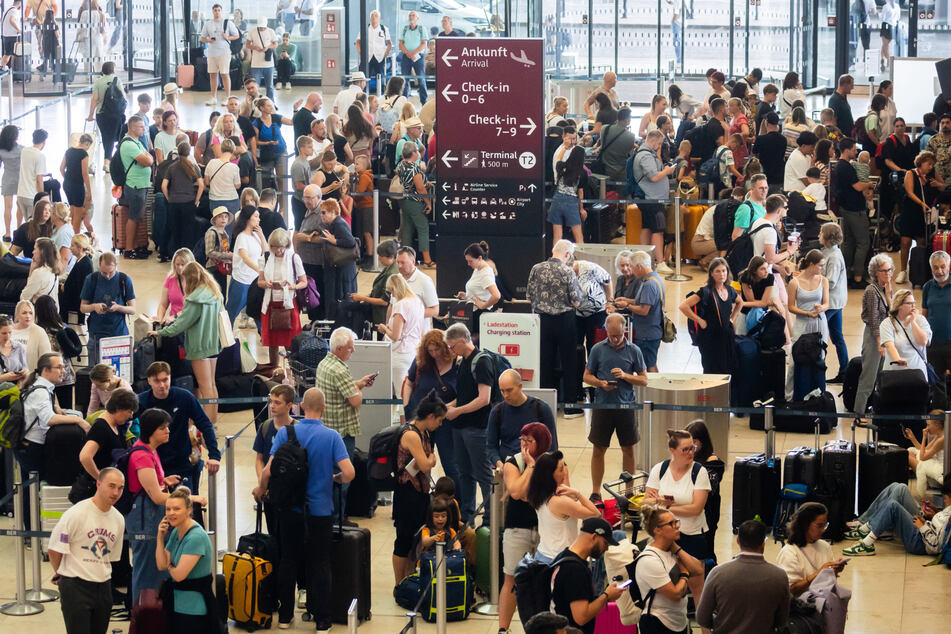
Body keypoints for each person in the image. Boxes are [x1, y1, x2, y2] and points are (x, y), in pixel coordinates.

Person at [259, 387, 354, 631]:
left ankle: (284, 617)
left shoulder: (285, 433)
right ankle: (322, 619)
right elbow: (350, 473)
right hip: (320, 511)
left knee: (288, 560)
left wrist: (262, 490)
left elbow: (268, 471)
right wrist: (335, 478)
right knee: (320, 563)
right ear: (324, 408)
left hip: (290, 509)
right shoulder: (331, 436)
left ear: (301, 406)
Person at [48, 467, 126, 634]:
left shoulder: (118, 519)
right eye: (111, 486)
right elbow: (54, 550)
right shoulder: (76, 513)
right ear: (98, 484)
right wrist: (60, 574)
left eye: (120, 488)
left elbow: (111, 556)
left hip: (103, 586)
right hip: (76, 586)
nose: (116, 492)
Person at [17, 352, 89, 529]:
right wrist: (78, 420)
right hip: (31, 446)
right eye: (59, 367)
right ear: (45, 370)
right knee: (31, 489)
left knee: (33, 487)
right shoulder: (41, 391)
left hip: (30, 444)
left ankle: (33, 526)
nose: (63, 371)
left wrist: (58, 408)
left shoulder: (43, 387)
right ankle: (31, 530)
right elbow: (48, 418)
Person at [497, 423, 553, 634]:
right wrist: (530, 466)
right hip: (517, 528)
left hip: (545, 529)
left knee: (544, 579)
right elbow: (515, 492)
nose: (525, 445)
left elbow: (556, 493)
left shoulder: (552, 461)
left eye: (530, 441)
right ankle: (503, 628)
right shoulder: (514, 462)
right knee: (511, 577)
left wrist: (530, 494)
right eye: (522, 440)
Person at [151, 263, 225, 424]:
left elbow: (181, 324)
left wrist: (160, 332)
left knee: (204, 387)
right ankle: (212, 420)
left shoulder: (195, 299)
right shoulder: (215, 293)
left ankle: (208, 424)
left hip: (199, 346)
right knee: (211, 385)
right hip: (214, 345)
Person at [314, 328, 376, 519]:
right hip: (342, 432)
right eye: (350, 348)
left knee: (330, 475)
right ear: (339, 349)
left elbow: (340, 390)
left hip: (328, 427)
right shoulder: (340, 369)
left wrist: (358, 384)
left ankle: (331, 517)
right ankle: (338, 519)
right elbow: (355, 401)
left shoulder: (325, 363)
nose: (353, 351)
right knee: (343, 477)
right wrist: (360, 391)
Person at [136, 361, 221, 494]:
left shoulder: (184, 397)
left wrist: (214, 455)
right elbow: (123, 423)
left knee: (186, 506)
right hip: (153, 465)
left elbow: (205, 424)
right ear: (149, 381)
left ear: (170, 378)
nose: (162, 385)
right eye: (157, 381)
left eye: (165, 380)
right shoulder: (141, 401)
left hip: (181, 464)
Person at [443, 323, 497, 523]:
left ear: (463, 341)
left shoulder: (481, 362)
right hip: (460, 427)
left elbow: (484, 398)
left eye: (452, 346)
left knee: (483, 474)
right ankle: (467, 516)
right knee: (465, 473)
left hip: (477, 428)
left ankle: (490, 519)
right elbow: (465, 395)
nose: (450, 351)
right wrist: (449, 406)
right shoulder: (462, 362)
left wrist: (457, 411)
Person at [695, 520, 790, 634]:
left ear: (738, 541)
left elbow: (702, 618)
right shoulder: (779, 576)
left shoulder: (718, 573)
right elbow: (782, 621)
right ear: (763, 544)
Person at [392, 391, 446, 584]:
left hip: (420, 493)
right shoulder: (411, 435)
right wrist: (430, 460)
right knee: (404, 540)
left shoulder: (424, 433)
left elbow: (430, 459)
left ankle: (408, 579)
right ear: (431, 417)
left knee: (415, 540)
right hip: (407, 493)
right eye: (439, 420)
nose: (440, 424)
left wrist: (429, 460)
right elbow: (426, 463)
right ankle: (399, 583)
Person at [527, 240, 582, 412]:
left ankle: (546, 405)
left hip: (542, 320)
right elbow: (576, 300)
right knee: (569, 362)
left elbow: (529, 295)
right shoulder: (567, 271)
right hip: (565, 320)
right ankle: (570, 406)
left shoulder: (536, 268)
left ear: (553, 250)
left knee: (545, 361)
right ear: (567, 255)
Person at [634, 504, 706, 634]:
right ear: (658, 530)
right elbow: (675, 594)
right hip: (658, 623)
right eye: (672, 523)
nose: (677, 526)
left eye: (676, 521)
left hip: (678, 622)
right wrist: (684, 574)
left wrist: (677, 548)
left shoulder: (671, 550)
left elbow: (698, 570)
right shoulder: (649, 560)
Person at [155, 486, 219, 630]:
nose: (171, 513)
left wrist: (169, 564)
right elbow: (160, 565)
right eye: (168, 509)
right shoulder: (176, 531)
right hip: (177, 603)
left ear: (189, 510)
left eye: (176, 509)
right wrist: (159, 537)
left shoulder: (195, 537)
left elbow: (178, 575)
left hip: (194, 608)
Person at [548, 516, 623, 634]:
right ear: (594, 537)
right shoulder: (575, 569)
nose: (606, 548)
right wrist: (607, 596)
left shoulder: (563, 556)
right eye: (605, 543)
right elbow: (581, 617)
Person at [843, 479, 951, 558]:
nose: (945, 502)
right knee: (900, 487)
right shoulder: (948, 511)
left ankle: (867, 540)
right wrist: (933, 514)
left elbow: (936, 546)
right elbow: (940, 527)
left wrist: (923, 527)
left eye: (946, 498)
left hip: (920, 543)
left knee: (892, 505)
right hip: (924, 529)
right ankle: (866, 525)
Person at [527, 450, 600, 563]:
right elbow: (595, 514)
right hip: (559, 559)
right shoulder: (559, 502)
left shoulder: (538, 494)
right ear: (550, 474)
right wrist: (578, 494)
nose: (565, 472)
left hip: (543, 555)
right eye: (561, 469)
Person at [679, 257, 742, 374]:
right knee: (711, 369)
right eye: (718, 271)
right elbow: (683, 306)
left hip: (726, 336)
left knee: (728, 368)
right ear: (711, 273)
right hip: (710, 338)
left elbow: (740, 302)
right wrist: (699, 320)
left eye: (724, 271)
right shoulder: (705, 291)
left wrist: (732, 318)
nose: (722, 274)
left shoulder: (730, 290)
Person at [487, 369, 558, 470]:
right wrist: (499, 464)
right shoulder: (497, 412)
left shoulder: (541, 409)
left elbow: (552, 446)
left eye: (509, 390)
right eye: (502, 391)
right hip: (508, 466)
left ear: (520, 387)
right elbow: (491, 447)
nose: (506, 395)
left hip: (536, 467)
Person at [776, 502, 848, 597]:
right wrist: (819, 573)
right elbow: (790, 590)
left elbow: (827, 582)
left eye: (825, 525)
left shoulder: (825, 546)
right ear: (804, 525)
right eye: (819, 526)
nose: (823, 530)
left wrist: (834, 571)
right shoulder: (789, 552)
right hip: (801, 608)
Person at [854, 253, 895, 413]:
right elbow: (873, 319)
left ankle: (875, 408)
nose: (888, 273)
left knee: (881, 376)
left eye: (889, 270)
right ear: (875, 272)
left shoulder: (887, 289)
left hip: (885, 335)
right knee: (868, 377)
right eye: (883, 271)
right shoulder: (871, 291)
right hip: (874, 337)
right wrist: (880, 343)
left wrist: (889, 295)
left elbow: (892, 313)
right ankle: (859, 412)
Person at [788, 249, 830, 400]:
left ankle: (818, 394)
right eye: (820, 265)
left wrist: (821, 308)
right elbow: (790, 307)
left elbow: (827, 303)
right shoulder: (795, 283)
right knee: (796, 358)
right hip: (803, 323)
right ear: (811, 264)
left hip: (819, 323)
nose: (822, 269)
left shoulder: (823, 280)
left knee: (820, 356)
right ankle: (793, 396)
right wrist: (806, 313)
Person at [897, 151, 945, 284]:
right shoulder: (911, 173)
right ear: (921, 162)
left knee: (921, 242)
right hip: (910, 211)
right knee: (905, 242)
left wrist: (938, 185)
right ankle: (903, 271)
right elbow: (909, 192)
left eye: (932, 165)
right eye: (928, 164)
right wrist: (921, 203)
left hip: (924, 215)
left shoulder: (931, 175)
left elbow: (944, 187)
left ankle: (919, 271)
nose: (930, 167)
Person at [80, 252, 135, 365]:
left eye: (111, 272)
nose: (108, 276)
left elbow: (133, 309)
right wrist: (94, 307)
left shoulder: (124, 280)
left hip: (119, 335)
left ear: (116, 265)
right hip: (97, 336)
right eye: (104, 272)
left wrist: (118, 307)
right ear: (99, 265)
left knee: (120, 372)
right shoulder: (91, 279)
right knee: (96, 373)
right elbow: (82, 308)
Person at [836, 138, 875, 289]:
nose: (856, 152)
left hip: (846, 208)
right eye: (854, 149)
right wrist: (869, 184)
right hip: (854, 209)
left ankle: (846, 275)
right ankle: (858, 277)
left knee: (849, 243)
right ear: (846, 150)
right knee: (863, 243)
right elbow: (858, 186)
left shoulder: (841, 166)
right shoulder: (846, 167)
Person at [378, 274, 425, 399]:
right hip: (414, 351)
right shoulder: (418, 302)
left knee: (401, 396)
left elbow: (395, 336)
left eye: (391, 291)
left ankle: (403, 419)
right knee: (412, 394)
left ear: (396, 288)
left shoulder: (401, 305)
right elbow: (421, 331)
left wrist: (384, 328)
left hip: (400, 354)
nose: (392, 295)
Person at [635, 131, 676, 271]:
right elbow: (653, 177)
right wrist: (667, 171)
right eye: (658, 143)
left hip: (650, 197)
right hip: (651, 198)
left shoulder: (647, 154)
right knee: (658, 230)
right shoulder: (645, 155)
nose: (659, 146)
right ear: (653, 141)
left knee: (647, 227)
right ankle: (660, 262)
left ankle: (645, 260)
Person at [116, 116, 154, 259]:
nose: (143, 129)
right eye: (140, 127)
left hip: (142, 185)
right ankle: (129, 249)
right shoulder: (128, 144)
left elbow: (149, 157)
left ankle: (137, 246)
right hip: (135, 185)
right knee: (133, 217)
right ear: (131, 128)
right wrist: (148, 159)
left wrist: (149, 159)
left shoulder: (136, 142)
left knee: (139, 217)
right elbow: (147, 160)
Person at [880, 288, 932, 383]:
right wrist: (898, 359)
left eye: (914, 303)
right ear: (899, 305)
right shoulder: (887, 323)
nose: (914, 306)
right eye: (909, 303)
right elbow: (889, 345)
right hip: (894, 374)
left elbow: (923, 341)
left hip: (918, 374)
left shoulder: (921, 320)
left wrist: (913, 322)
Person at [161, 141, 205, 254]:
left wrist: (168, 197)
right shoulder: (193, 167)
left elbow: (164, 186)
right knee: (188, 231)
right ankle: (187, 255)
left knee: (175, 231)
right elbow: (201, 185)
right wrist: (197, 200)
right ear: (189, 152)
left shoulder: (171, 167)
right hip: (188, 203)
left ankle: (175, 255)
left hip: (174, 203)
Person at [226, 206, 267, 323]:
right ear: (248, 218)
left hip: (254, 281)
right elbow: (245, 258)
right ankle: (223, 339)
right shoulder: (242, 237)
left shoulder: (255, 235)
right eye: (256, 216)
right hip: (241, 281)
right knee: (231, 312)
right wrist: (260, 270)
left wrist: (262, 235)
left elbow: (266, 251)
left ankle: (263, 337)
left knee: (257, 313)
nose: (259, 219)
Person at [819, 223, 849, 383]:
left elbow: (831, 281)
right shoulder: (830, 253)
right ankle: (845, 371)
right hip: (836, 301)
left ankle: (819, 369)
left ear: (828, 237)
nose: (818, 235)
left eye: (821, 233)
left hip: (831, 302)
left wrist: (814, 281)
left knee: (820, 336)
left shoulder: (834, 257)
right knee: (837, 337)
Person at [396, 143, 434, 267]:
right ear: (413, 153)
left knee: (407, 229)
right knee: (423, 229)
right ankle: (427, 261)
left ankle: (404, 259)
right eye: (417, 151)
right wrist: (428, 203)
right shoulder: (414, 168)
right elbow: (420, 189)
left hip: (403, 200)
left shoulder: (401, 165)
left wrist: (424, 181)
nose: (418, 153)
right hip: (415, 202)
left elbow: (408, 182)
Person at [87, 62, 124, 173]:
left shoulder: (98, 81)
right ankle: (108, 161)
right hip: (115, 114)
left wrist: (90, 114)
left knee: (106, 137)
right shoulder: (117, 80)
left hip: (101, 114)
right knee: (114, 137)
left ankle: (107, 161)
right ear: (113, 70)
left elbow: (95, 98)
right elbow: (123, 96)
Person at [549, 146, 588, 245]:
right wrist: (581, 209)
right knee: (578, 236)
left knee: (557, 236)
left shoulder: (561, 166)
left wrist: (564, 148)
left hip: (556, 200)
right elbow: (580, 192)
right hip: (571, 202)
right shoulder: (582, 173)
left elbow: (558, 158)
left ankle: (556, 258)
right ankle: (580, 259)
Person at [922, 251, 951, 379]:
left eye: (943, 266)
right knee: (936, 383)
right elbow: (924, 314)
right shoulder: (927, 287)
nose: (939, 271)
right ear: (931, 268)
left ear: (949, 266)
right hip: (933, 344)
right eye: (935, 267)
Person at [60, 133, 93, 235]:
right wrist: (89, 191)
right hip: (77, 185)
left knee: (72, 210)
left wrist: (68, 178)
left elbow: (61, 168)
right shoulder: (83, 154)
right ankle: (75, 238)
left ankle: (68, 234)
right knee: (78, 215)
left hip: (67, 184)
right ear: (87, 143)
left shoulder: (69, 151)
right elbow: (85, 174)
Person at [906, 414, 945, 499]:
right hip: (934, 465)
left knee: (907, 455)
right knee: (910, 452)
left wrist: (924, 437)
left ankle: (925, 484)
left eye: (928, 425)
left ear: (937, 425)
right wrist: (912, 438)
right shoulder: (938, 436)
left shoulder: (941, 439)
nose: (926, 428)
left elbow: (923, 456)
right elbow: (923, 450)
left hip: (939, 473)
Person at [11, 300, 52, 372]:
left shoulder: (39, 332)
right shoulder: (9, 330)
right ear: (17, 315)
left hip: (30, 376)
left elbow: (46, 359)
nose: (28, 316)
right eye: (24, 313)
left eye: (30, 313)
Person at [599, 107, 638, 183]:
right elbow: (630, 155)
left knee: (604, 192)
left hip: (604, 169)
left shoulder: (604, 129)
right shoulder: (631, 136)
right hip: (621, 172)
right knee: (620, 193)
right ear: (627, 119)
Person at [16, 129, 47, 223]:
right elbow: (39, 179)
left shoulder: (24, 151)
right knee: (34, 226)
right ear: (44, 141)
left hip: (21, 194)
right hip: (31, 196)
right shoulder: (40, 155)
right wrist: (42, 197)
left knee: (28, 224)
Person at [21, 236, 61, 309]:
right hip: (52, 313)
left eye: (35, 249)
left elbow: (24, 298)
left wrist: (31, 270)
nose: (33, 252)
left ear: (41, 251)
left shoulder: (39, 273)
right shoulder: (54, 271)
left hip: (40, 314)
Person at [246, 16, 278, 99]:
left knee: (270, 86)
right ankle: (255, 102)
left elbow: (275, 44)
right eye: (260, 27)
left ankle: (271, 103)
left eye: (263, 27)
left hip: (268, 64)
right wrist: (255, 47)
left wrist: (267, 47)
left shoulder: (271, 31)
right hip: (256, 64)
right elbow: (247, 44)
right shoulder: (252, 32)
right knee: (255, 86)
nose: (262, 29)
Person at [398, 11, 427, 103]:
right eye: (410, 15)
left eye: (413, 15)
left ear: (417, 18)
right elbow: (400, 43)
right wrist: (407, 53)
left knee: (421, 80)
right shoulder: (405, 29)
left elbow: (424, 44)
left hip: (418, 56)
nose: (411, 17)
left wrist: (413, 53)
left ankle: (424, 102)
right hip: (406, 57)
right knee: (404, 80)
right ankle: (404, 102)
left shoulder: (422, 29)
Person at [355, 10, 390, 80]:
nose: (374, 17)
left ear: (379, 18)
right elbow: (358, 41)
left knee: (380, 78)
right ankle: (364, 90)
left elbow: (389, 43)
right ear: (370, 18)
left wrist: (386, 53)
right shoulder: (365, 28)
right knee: (364, 77)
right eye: (372, 16)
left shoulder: (384, 29)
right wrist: (360, 52)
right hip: (367, 56)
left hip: (379, 57)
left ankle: (381, 90)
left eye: (376, 15)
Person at [0, 124, 21, 239]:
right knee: (20, 206)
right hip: (19, 178)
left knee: (7, 207)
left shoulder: (1, 150)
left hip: (7, 178)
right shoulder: (22, 149)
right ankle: (18, 229)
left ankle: (7, 233)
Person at [0, 315, 28, 386]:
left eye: (10, 332)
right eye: (4, 333)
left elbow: (25, 369)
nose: (7, 336)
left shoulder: (19, 347)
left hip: (15, 391)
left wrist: (24, 375)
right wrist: (3, 378)